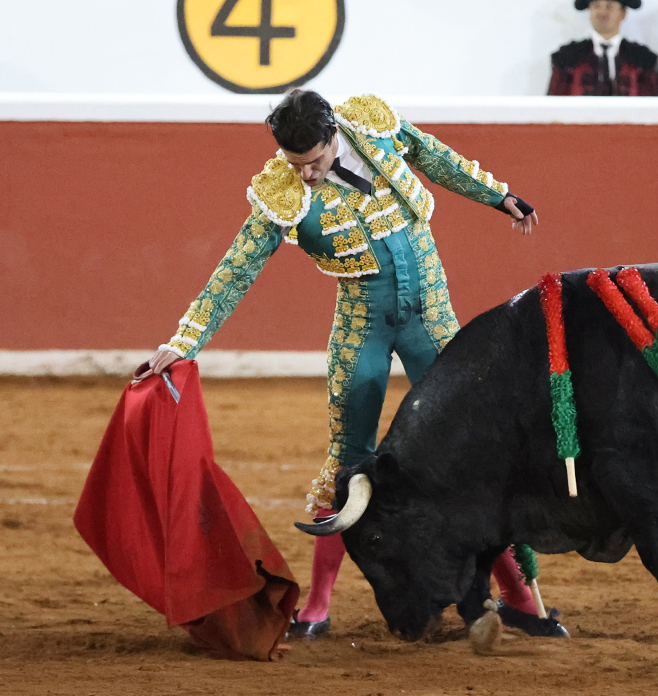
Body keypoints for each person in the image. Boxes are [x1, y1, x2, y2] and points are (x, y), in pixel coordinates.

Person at [135, 90, 568, 641]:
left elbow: (433, 156)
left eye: (314, 161)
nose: (308, 175)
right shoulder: (282, 190)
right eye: (297, 165)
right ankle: (316, 606)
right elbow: (236, 269)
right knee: (349, 458)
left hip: (430, 315)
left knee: (479, 449)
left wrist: (496, 194)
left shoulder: (372, 123)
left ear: (333, 131)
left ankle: (519, 595)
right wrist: (185, 340)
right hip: (362, 321)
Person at [549, 0, 658, 96]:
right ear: (589, 12)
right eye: (596, 6)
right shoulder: (567, 58)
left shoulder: (642, 59)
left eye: (609, 6)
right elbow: (554, 107)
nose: (602, 12)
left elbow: (652, 109)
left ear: (623, 13)